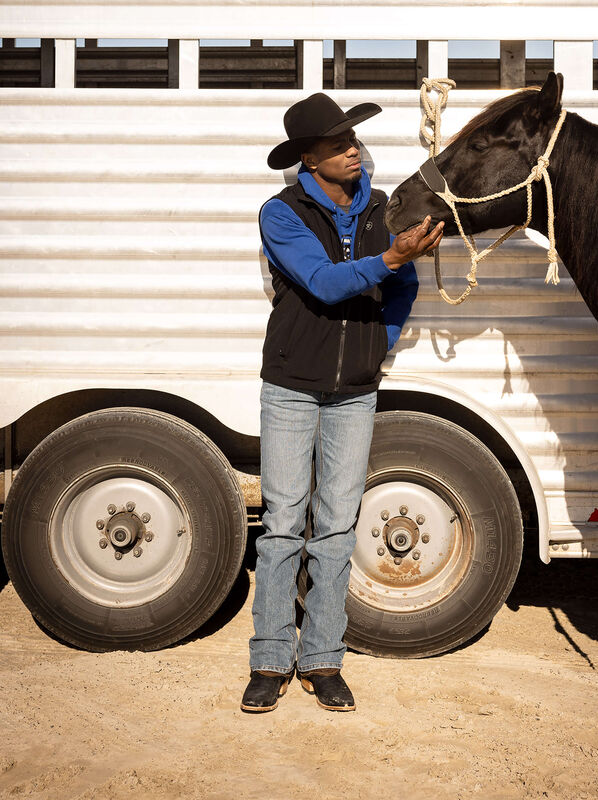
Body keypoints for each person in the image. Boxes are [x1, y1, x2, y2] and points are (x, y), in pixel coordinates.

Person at [241, 93, 443, 713]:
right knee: (280, 528)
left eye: (353, 140)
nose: (352, 149)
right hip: (290, 387)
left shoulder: (382, 209)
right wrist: (391, 257)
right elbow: (326, 284)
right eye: (337, 144)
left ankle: (323, 659)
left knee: (335, 529)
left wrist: (373, 349)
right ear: (309, 158)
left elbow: (403, 287)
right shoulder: (281, 213)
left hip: (354, 391)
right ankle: (270, 661)